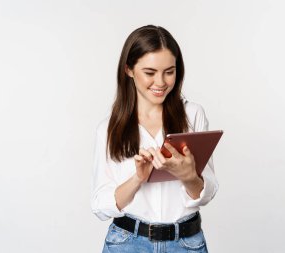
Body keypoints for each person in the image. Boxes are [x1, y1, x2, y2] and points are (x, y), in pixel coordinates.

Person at [91, 25, 219, 253]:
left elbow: (206, 193)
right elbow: (101, 205)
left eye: (169, 71)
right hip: (127, 243)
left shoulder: (193, 115)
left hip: (185, 243)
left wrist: (188, 176)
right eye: (150, 73)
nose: (160, 82)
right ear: (129, 69)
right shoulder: (109, 129)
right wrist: (137, 178)